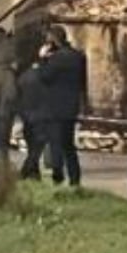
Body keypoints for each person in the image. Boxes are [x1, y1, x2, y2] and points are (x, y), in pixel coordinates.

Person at [39, 26, 87, 187]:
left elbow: (45, 77)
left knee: (55, 143)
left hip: (55, 106)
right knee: (68, 144)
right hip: (71, 107)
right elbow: (83, 83)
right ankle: (75, 178)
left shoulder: (56, 59)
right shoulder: (78, 56)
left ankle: (57, 177)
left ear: (54, 40)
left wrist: (43, 59)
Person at [17, 60, 49, 180]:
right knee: (38, 146)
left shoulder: (23, 77)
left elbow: (18, 96)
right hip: (41, 115)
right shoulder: (44, 77)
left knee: (32, 145)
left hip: (26, 115)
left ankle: (35, 174)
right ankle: (25, 171)